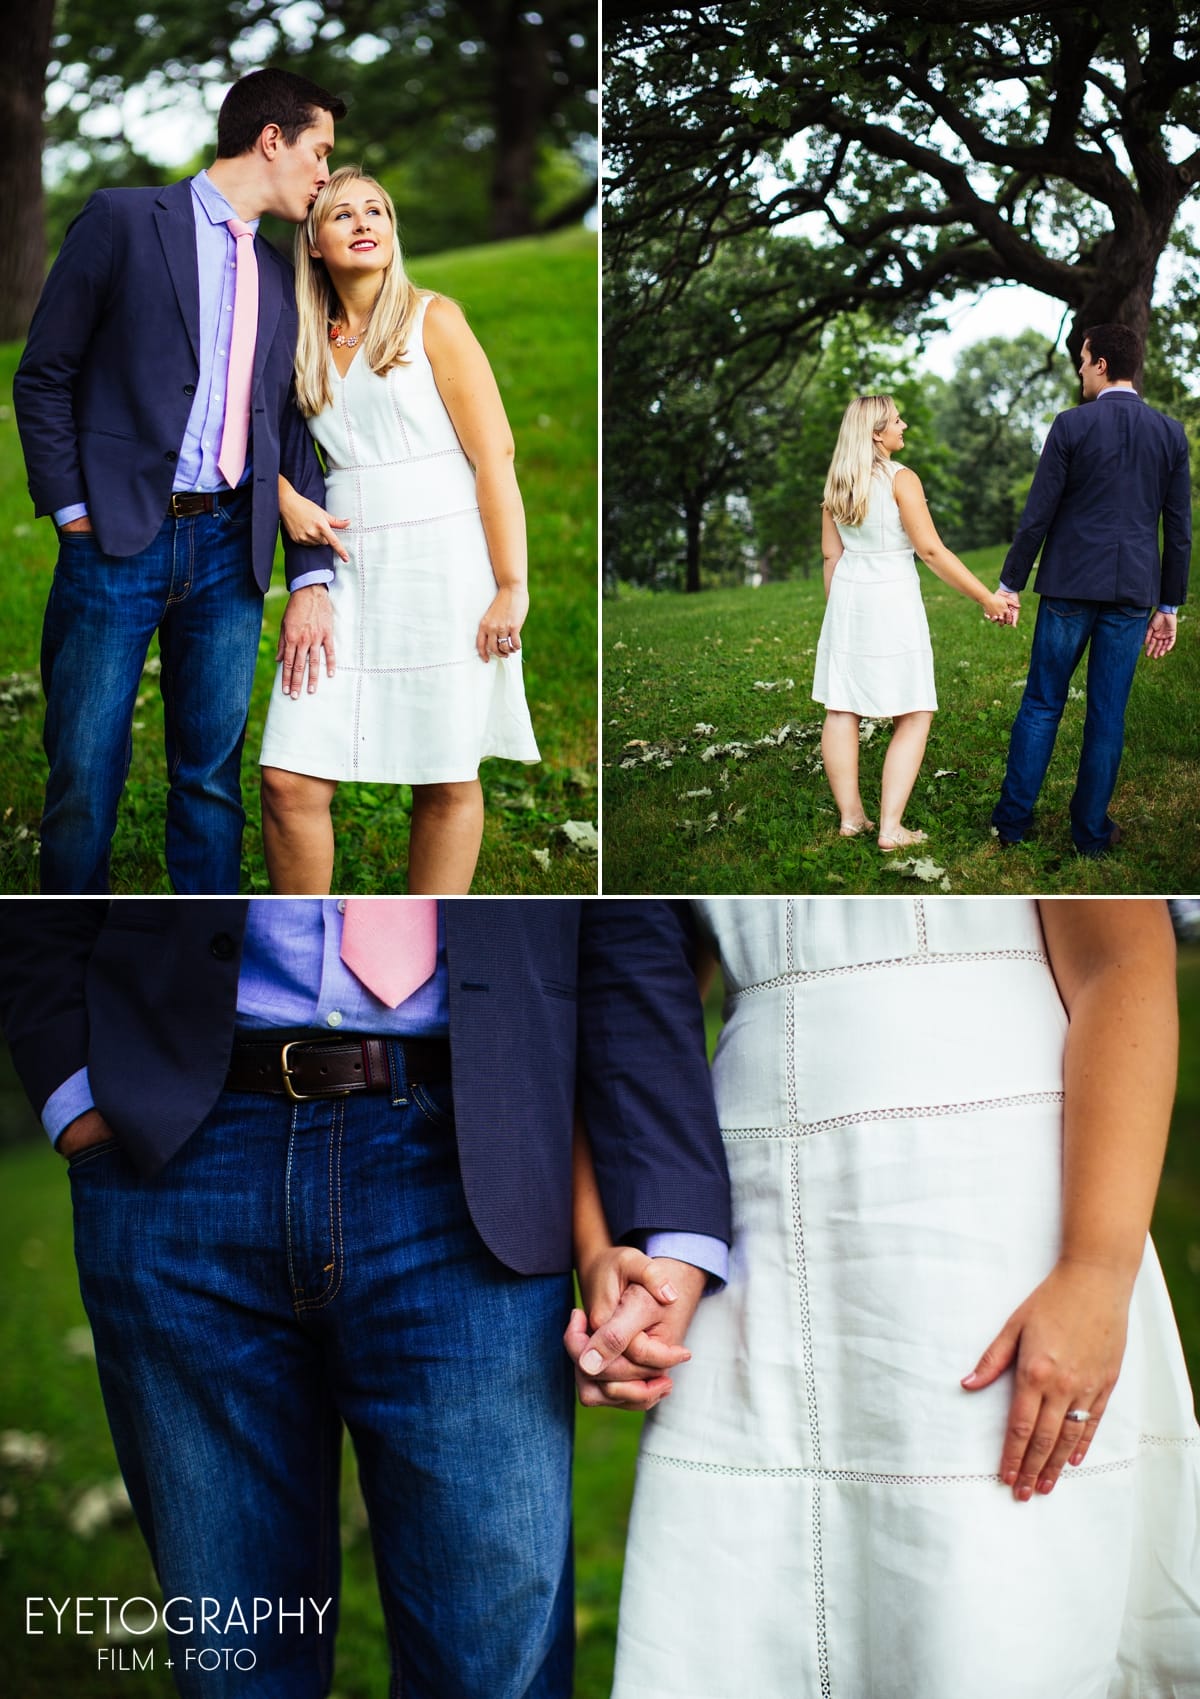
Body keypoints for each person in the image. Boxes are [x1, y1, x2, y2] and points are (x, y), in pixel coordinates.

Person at [0, 897, 730, 1699]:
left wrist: (670, 1223)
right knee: (234, 1664)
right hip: (173, 1150)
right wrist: (71, 1091)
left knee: (489, 1671)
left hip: (473, 1158)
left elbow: (621, 926)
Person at [569, 897, 1200, 1699]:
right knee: (753, 1612)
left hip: (992, 1225)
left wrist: (1096, 1268)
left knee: (990, 1605)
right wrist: (608, 1242)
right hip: (760, 1223)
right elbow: (624, 999)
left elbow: (1121, 961)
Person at [13, 69, 349, 896]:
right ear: (271, 139)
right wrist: (72, 511)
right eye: (320, 152)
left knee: (209, 780)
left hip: (231, 550)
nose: (325, 175)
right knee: (83, 781)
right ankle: (66, 960)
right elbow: (44, 375)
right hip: (114, 541)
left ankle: (200, 965)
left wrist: (309, 571)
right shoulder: (123, 219)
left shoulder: (281, 274)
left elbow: (291, 425)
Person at [258, 169, 540, 894]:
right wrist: (284, 493)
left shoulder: (432, 318)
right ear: (314, 243)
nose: (363, 222)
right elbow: (255, 435)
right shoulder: (297, 335)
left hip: (443, 561)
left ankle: (428, 938)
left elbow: (495, 456)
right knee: (289, 779)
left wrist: (512, 584)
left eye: (376, 210)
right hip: (346, 562)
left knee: (444, 772)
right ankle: (305, 936)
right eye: (342, 213)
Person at [992, 323, 1191, 856]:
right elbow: (1179, 530)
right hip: (1132, 593)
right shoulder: (1171, 434)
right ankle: (1091, 836)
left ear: (1102, 363)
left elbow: (1038, 515)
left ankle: (1012, 826)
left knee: (1041, 703)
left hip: (1069, 586)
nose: (1079, 369)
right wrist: (1168, 604)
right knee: (1108, 713)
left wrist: (1010, 582)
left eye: (1083, 360)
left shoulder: (1071, 426)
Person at [812, 396, 1012, 851]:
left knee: (841, 706)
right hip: (892, 599)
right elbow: (931, 551)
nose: (905, 424)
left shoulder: (838, 483)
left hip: (848, 599)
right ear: (877, 434)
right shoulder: (902, 479)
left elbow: (830, 555)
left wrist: (837, 611)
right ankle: (890, 828)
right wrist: (986, 596)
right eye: (896, 419)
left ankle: (851, 818)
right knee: (915, 710)